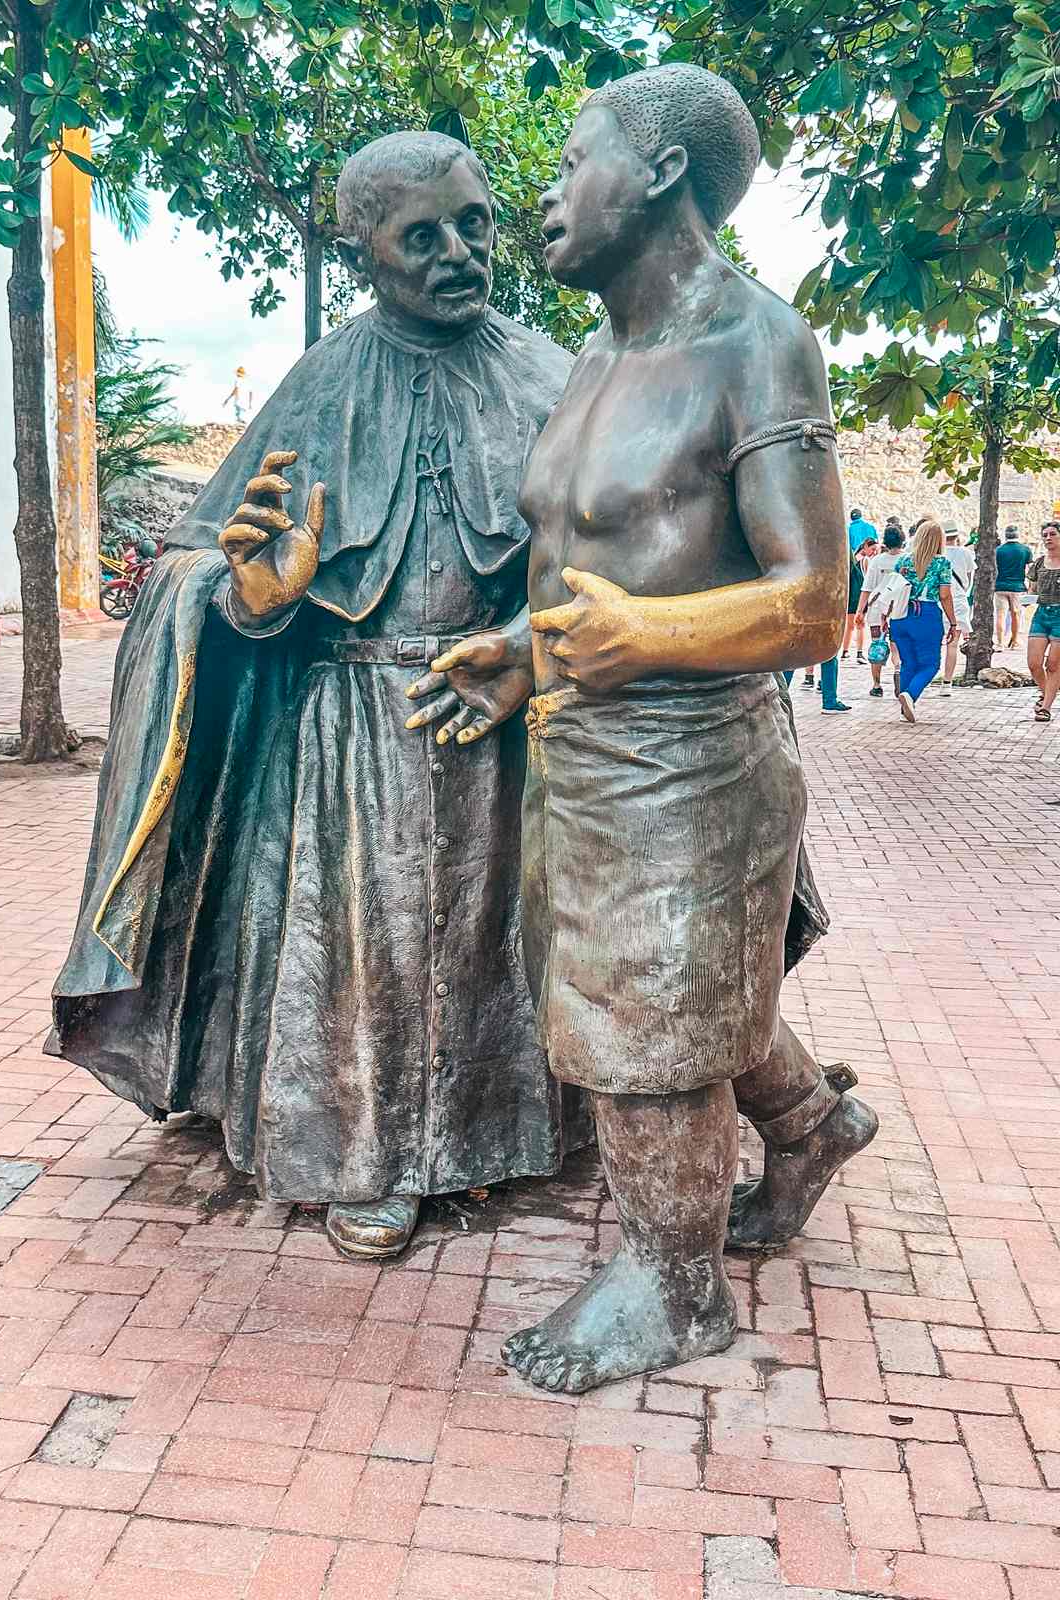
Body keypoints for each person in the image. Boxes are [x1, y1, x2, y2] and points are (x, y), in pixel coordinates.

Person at [52, 132, 587, 1263]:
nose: (460, 253)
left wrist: (529, 646)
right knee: (362, 960)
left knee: (514, 938)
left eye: (475, 223)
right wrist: (252, 599)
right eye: (421, 236)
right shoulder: (321, 384)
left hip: (511, 723)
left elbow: (627, 560)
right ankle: (371, 1156)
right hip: (352, 737)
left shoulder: (558, 375)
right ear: (365, 251)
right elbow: (206, 576)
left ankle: (519, 1124)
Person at [436, 64, 877, 1391]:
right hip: (579, 754)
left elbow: (813, 601)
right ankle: (812, 1125)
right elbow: (612, 561)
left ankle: (673, 1295)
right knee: (673, 1008)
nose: (548, 195)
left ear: (662, 174)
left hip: (692, 763)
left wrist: (647, 641)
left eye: (573, 164)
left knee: (648, 1040)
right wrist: (523, 651)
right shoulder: (595, 354)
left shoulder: (758, 343)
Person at [887, 518, 959, 723]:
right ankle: (910, 694)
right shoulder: (941, 563)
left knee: (909, 662)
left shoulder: (903, 561)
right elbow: (945, 595)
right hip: (925, 614)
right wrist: (953, 622)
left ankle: (905, 710)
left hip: (900, 616)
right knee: (931, 664)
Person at [856, 525, 906, 696]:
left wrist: (859, 611)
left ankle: (876, 685)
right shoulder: (907, 559)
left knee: (877, 644)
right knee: (896, 645)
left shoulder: (877, 561)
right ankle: (898, 669)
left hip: (877, 609)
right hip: (900, 609)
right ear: (902, 540)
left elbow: (867, 588)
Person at [1027, 522, 1060, 722]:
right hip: (1041, 615)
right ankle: (1046, 691)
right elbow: (1032, 589)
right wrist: (1027, 598)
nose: (1048, 538)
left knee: (1054, 665)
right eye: (1045, 535)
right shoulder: (1039, 563)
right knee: (1033, 663)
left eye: (1052, 534)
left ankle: (1045, 707)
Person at [940, 523, 974, 695]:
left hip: (938, 601)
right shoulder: (965, 553)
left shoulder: (937, 554)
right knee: (952, 645)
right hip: (958, 601)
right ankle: (947, 683)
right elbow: (969, 577)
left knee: (933, 643)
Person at [995, 525, 1032, 649]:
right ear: (1018, 534)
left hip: (1000, 586)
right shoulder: (1025, 550)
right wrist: (1030, 587)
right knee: (1015, 614)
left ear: (1006, 535)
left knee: (1000, 614)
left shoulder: (998, 550)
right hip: (1017, 587)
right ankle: (1014, 641)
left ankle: (1000, 643)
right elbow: (1030, 569)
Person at [839, 545, 869, 663]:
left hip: (849, 597)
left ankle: (845, 651)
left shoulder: (844, 565)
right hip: (859, 597)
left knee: (850, 626)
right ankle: (859, 652)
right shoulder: (864, 561)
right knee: (860, 626)